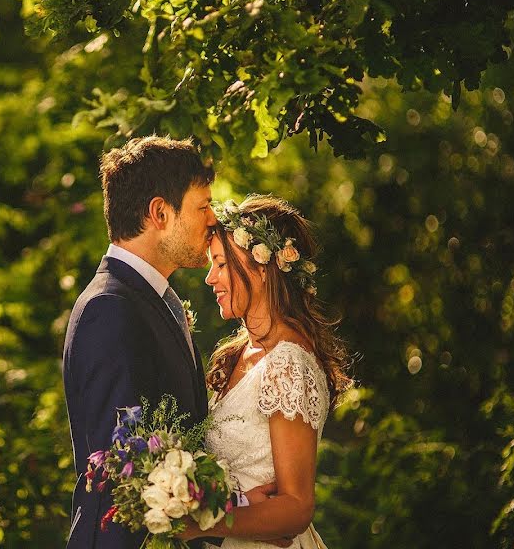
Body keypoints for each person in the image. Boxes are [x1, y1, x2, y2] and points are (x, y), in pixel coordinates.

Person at [63, 137, 286, 549]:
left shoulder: (148, 299)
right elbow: (126, 469)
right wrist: (232, 506)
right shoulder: (110, 309)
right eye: (202, 207)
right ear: (160, 213)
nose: (212, 221)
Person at [178, 195, 352, 549]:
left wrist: (199, 524)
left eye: (222, 264)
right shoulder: (243, 351)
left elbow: (296, 509)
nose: (210, 278)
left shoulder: (288, 364)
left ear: (262, 268)